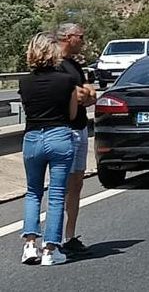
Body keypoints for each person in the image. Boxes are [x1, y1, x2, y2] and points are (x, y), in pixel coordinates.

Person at [18, 32, 79, 266]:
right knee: (56, 194)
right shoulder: (66, 81)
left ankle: (30, 245)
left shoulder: (24, 82)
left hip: (33, 138)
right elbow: (72, 114)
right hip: (59, 136)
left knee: (33, 192)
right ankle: (51, 250)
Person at [57, 23, 96, 255]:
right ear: (68, 37)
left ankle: (70, 236)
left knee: (77, 183)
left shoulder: (74, 65)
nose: (83, 41)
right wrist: (83, 94)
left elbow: (89, 94)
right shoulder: (56, 64)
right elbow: (79, 95)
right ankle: (55, 236)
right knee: (62, 185)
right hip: (65, 129)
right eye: (80, 37)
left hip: (81, 127)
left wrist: (86, 93)